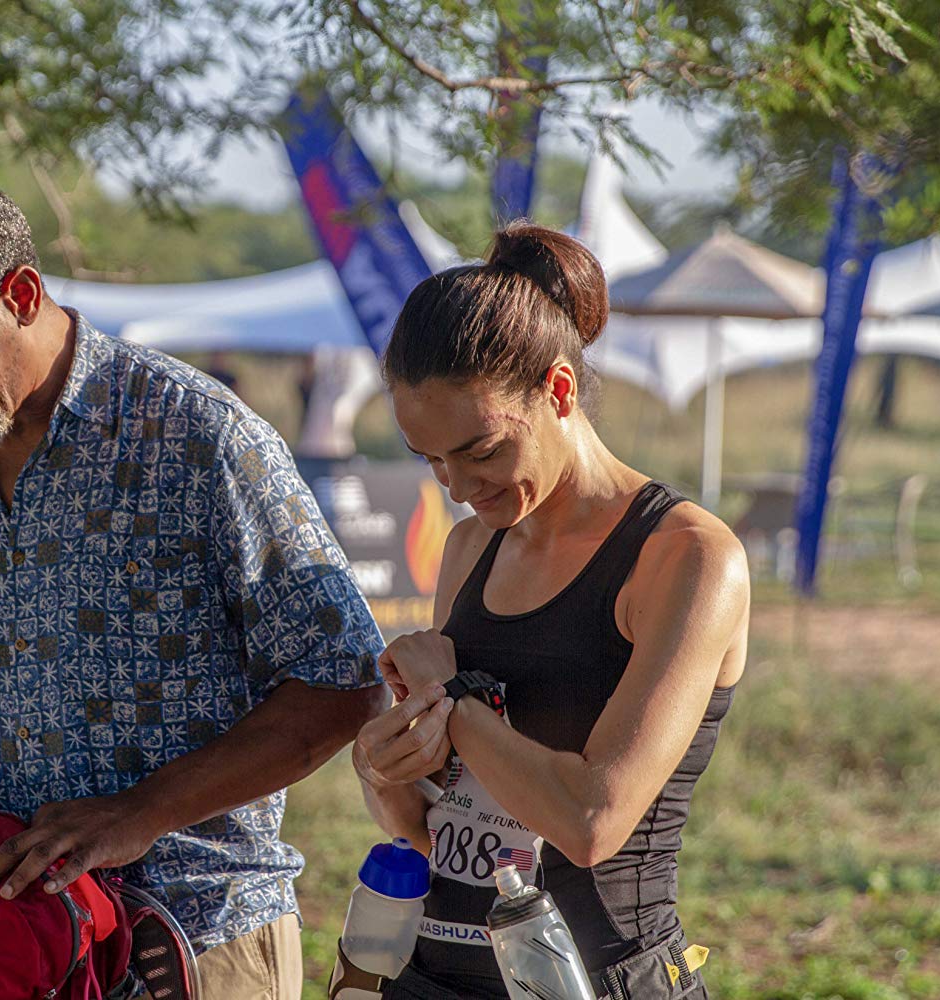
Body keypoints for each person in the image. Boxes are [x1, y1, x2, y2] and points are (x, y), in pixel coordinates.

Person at [0, 175, 387, 998]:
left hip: (189, 939)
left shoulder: (196, 435)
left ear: (21, 295)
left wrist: (143, 811)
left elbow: (344, 677)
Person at [352, 223, 749, 999]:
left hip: (599, 977)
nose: (457, 488)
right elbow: (437, 821)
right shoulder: (472, 546)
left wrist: (449, 699)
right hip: (436, 973)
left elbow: (591, 822)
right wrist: (385, 765)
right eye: (429, 460)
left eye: (481, 451)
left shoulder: (686, 557)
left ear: (558, 391)